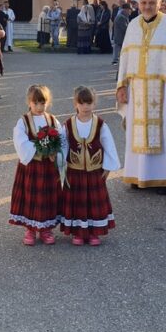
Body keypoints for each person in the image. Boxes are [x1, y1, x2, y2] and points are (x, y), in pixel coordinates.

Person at [116, 0, 166, 192]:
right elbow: (125, 58)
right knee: (137, 131)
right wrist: (121, 85)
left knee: (163, 130)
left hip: (162, 89)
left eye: (151, 3)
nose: (147, 6)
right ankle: (138, 175)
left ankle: (164, 177)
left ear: (160, 3)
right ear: (138, 4)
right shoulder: (133, 25)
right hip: (137, 88)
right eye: (144, 3)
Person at [60, 86, 118, 245]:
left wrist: (108, 167)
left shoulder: (100, 124)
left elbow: (109, 145)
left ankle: (94, 233)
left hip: (94, 172)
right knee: (77, 202)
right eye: (82, 103)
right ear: (75, 104)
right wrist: (61, 164)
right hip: (74, 172)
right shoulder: (67, 125)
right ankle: (78, 233)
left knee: (94, 202)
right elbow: (63, 146)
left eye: (89, 103)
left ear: (94, 104)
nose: (85, 107)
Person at [9, 84, 66, 245]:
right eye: (36, 103)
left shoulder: (52, 120)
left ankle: (46, 229)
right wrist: (40, 147)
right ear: (29, 102)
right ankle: (31, 229)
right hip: (31, 168)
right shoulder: (23, 121)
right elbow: (20, 142)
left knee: (48, 197)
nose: (40, 107)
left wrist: (57, 153)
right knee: (31, 197)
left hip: (48, 168)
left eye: (43, 103)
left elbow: (61, 138)